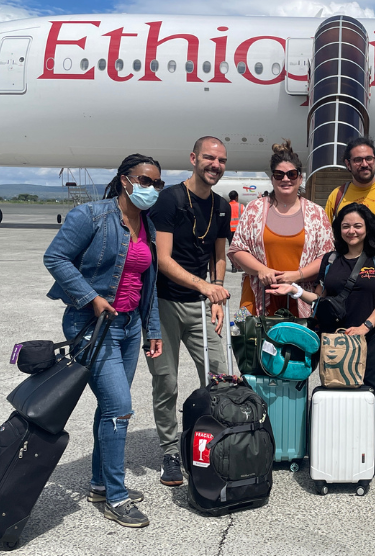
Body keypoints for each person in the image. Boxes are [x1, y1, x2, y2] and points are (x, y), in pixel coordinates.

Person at [43, 154, 164, 528]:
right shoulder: (91, 215)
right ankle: (116, 495)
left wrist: (152, 328)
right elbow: (56, 257)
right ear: (125, 180)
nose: (151, 189)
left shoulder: (148, 226)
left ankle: (98, 483)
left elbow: (148, 283)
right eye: (145, 180)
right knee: (120, 409)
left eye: (157, 184)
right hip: (94, 328)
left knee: (110, 410)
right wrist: (91, 298)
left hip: (128, 329)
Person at [267, 203, 375, 485]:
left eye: (357, 226)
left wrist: (365, 328)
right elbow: (322, 301)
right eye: (345, 226)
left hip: (371, 341)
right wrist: (294, 290)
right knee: (336, 400)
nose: (351, 231)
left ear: (367, 228)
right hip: (336, 345)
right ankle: (341, 455)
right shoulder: (330, 260)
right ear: (338, 230)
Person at [147, 136, 233, 489]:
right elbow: (162, 260)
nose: (215, 165)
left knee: (219, 376)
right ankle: (170, 450)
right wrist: (205, 287)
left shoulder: (222, 206)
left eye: (222, 160)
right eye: (210, 158)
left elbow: (219, 256)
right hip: (165, 304)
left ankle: (210, 441)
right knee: (166, 382)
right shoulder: (169, 200)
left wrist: (216, 295)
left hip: (202, 305)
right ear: (194, 158)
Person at [228, 140, 334, 318]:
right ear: (272, 179)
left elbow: (327, 256)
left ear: (300, 178)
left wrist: (297, 275)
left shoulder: (317, 214)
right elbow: (237, 248)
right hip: (258, 296)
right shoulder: (254, 209)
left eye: (291, 174)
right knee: (254, 344)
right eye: (279, 174)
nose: (286, 179)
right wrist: (262, 270)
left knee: (298, 344)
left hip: (301, 296)